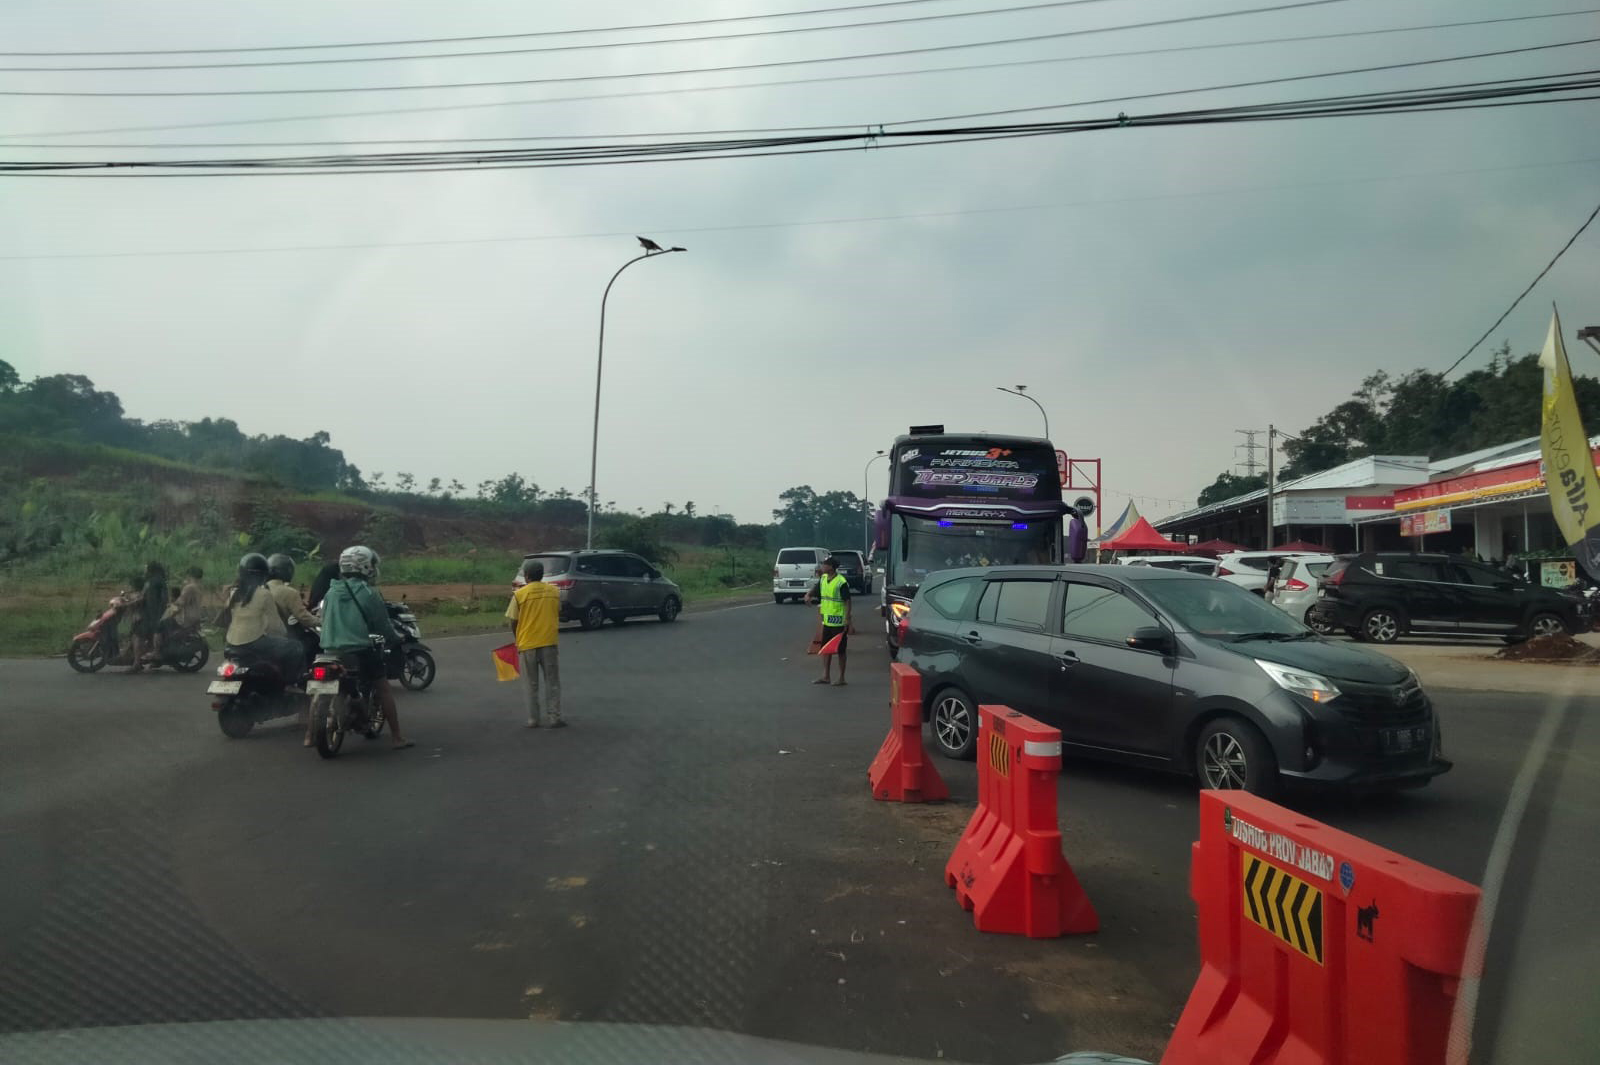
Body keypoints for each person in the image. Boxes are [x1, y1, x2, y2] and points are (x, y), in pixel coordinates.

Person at [318, 545, 412, 751]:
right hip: (358, 650)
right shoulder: (369, 593)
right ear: (367, 567)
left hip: (328, 652)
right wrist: (396, 638)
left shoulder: (331, 592)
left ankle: (309, 736)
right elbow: (383, 626)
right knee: (383, 687)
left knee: (319, 688)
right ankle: (397, 737)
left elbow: (322, 619)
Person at [223, 553, 307, 683]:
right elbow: (275, 625)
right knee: (295, 647)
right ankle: (290, 683)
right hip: (254, 643)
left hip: (231, 644)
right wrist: (283, 636)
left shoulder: (234, 592)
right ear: (263, 575)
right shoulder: (264, 594)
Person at [506, 558, 564, 729]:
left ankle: (533, 719)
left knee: (531, 684)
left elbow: (513, 621)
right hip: (548, 642)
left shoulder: (519, 595)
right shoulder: (554, 592)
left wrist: (517, 638)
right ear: (541, 575)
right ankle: (554, 718)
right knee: (552, 682)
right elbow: (558, 612)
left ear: (526, 576)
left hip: (527, 644)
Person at [806, 555, 852, 686]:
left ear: (831, 567)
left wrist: (848, 619)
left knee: (841, 650)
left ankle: (842, 677)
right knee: (826, 648)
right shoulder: (824, 578)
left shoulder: (841, 582)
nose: (822, 567)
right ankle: (826, 676)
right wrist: (808, 594)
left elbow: (848, 601)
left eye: (824, 565)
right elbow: (816, 589)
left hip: (839, 621)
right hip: (827, 621)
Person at [265, 554, 322, 634]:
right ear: (287, 570)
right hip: (281, 638)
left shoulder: (258, 589)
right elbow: (304, 618)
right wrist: (322, 621)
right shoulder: (289, 592)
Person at [128, 561, 169, 672]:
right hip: (159, 612)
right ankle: (153, 656)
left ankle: (137, 663)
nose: (145, 570)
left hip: (151, 614)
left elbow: (142, 597)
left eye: (146, 568)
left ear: (151, 569)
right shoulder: (161, 580)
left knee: (137, 634)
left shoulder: (150, 582)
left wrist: (128, 604)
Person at [159, 566, 206, 640]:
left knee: (160, 626)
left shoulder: (189, 587)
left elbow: (180, 603)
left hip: (186, 620)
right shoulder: (200, 587)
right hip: (196, 617)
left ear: (190, 575)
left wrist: (169, 610)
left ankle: (156, 649)